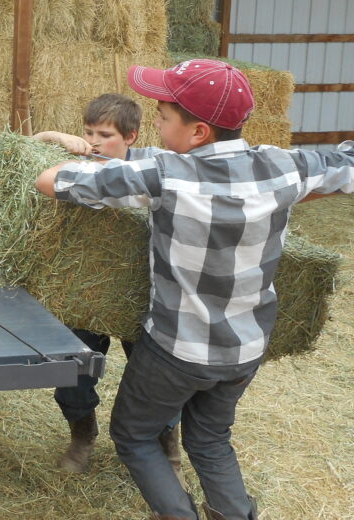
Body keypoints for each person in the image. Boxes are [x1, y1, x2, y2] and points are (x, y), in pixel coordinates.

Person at [34, 59, 354, 520]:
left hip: (176, 350)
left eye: (163, 119)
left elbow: (51, 181)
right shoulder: (284, 166)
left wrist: (72, 154)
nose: (158, 126)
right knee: (209, 437)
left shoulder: (166, 176)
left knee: (135, 435)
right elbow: (343, 165)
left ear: (199, 131)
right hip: (245, 348)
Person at [35, 95, 184, 480]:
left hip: (145, 297)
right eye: (88, 132)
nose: (95, 141)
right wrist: (55, 137)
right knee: (72, 371)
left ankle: (168, 444)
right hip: (86, 292)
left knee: (155, 377)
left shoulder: (154, 166)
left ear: (131, 137)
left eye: (105, 134)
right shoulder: (77, 164)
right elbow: (22, 154)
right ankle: (82, 436)